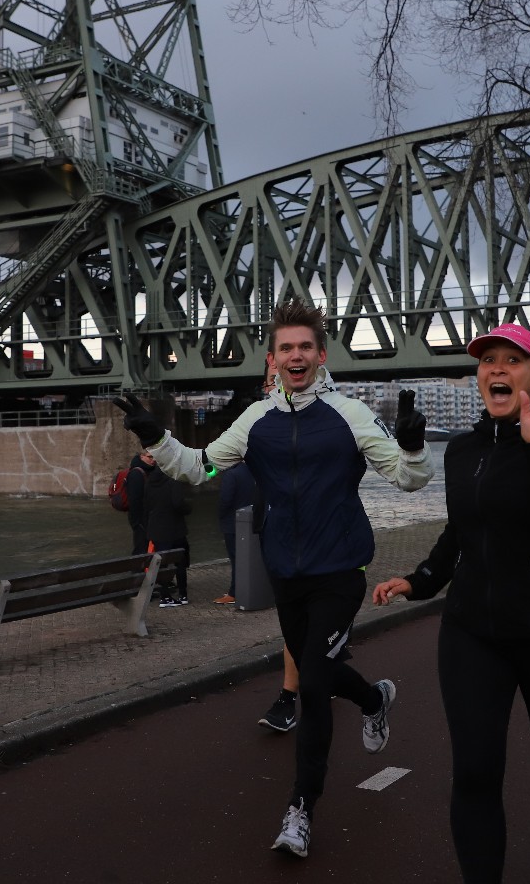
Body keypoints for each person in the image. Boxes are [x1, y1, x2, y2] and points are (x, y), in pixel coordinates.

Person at [114, 297, 431, 858]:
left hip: (340, 569)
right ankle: (374, 698)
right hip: (286, 571)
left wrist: (412, 446)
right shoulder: (255, 420)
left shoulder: (351, 414)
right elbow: (200, 466)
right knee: (316, 667)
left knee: (312, 683)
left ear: (321, 354)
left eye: (305, 346)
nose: (296, 355)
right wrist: (155, 437)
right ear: (273, 359)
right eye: (286, 348)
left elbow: (409, 480)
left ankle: (300, 809)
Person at [372, 323, 530, 884]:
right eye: (487, 360)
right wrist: (422, 580)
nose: (496, 368)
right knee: (475, 772)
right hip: (473, 631)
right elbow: (462, 530)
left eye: (512, 360)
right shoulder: (463, 451)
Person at [141, 456, 191, 607]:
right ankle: (182, 594)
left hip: (157, 529)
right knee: (180, 562)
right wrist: (189, 508)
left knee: (162, 564)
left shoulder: (149, 481)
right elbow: (178, 503)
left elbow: (146, 505)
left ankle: (165, 596)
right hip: (174, 529)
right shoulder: (173, 480)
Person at [215, 460, 255, 605]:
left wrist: (221, 515)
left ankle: (234, 593)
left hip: (233, 523)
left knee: (236, 559)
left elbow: (225, 499)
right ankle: (251, 588)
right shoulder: (256, 470)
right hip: (252, 520)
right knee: (251, 558)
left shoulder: (231, 474)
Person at [123, 451, 156, 557]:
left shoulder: (150, 471)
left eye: (155, 457)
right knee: (141, 549)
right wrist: (137, 523)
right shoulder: (136, 474)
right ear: (142, 456)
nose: (153, 460)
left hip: (149, 519)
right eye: (150, 457)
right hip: (141, 521)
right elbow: (134, 501)